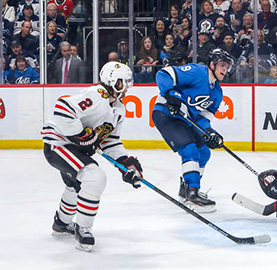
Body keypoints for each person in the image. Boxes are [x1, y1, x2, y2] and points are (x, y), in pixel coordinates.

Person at [42, 62, 142, 252]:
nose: (129, 85)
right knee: (94, 177)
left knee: (75, 185)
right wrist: (81, 134)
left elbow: (109, 141)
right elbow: (63, 108)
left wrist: (125, 163)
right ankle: (83, 228)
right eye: (125, 81)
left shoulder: (119, 109)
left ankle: (61, 224)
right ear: (113, 81)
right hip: (59, 144)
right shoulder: (98, 94)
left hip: (74, 149)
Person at [152, 48, 234, 212]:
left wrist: (210, 133)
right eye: (222, 65)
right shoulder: (198, 72)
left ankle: (187, 189)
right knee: (189, 149)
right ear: (212, 64)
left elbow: (203, 119)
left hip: (185, 120)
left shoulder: (218, 93)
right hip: (166, 114)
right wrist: (170, 94)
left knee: (204, 152)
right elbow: (163, 74)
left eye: (227, 67)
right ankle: (192, 192)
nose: (225, 70)